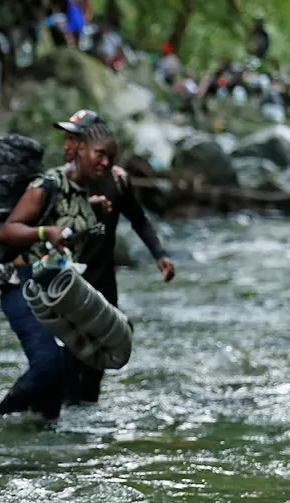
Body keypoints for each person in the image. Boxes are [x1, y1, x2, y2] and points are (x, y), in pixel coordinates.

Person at [0, 121, 119, 420]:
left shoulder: (84, 192)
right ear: (81, 150)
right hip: (22, 283)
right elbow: (7, 231)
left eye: (111, 159)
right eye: (100, 155)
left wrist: (94, 212)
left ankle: (41, 448)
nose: (106, 163)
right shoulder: (46, 184)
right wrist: (44, 232)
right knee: (48, 364)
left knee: (60, 379)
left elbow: (74, 228)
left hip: (56, 292)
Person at [52, 111, 175, 405]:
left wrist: (159, 255)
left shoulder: (118, 181)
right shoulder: (58, 181)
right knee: (66, 358)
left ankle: (87, 415)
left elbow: (139, 219)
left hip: (103, 281)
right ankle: (65, 417)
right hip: (66, 284)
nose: (67, 144)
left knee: (98, 356)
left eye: (74, 137)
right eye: (68, 137)